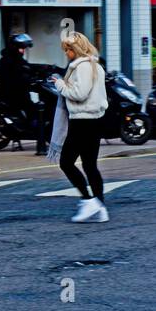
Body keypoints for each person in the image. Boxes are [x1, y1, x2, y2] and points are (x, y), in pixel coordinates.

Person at [49, 32, 109, 223]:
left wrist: (59, 84)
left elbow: (79, 94)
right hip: (96, 120)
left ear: (75, 49)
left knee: (66, 163)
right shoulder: (95, 66)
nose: (66, 53)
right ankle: (100, 207)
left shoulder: (82, 68)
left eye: (67, 50)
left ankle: (88, 201)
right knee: (90, 165)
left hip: (82, 121)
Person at [0, 33, 43, 152]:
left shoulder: (17, 59)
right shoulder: (7, 61)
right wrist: (27, 80)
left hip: (20, 92)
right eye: (21, 48)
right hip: (10, 95)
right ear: (14, 47)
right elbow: (14, 78)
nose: (23, 51)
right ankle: (22, 131)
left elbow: (27, 67)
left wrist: (43, 70)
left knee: (32, 107)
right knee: (31, 109)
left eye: (24, 48)